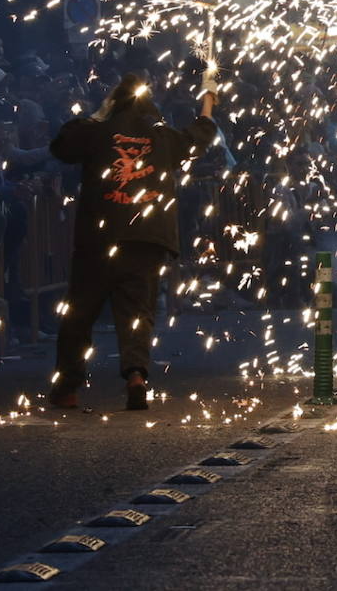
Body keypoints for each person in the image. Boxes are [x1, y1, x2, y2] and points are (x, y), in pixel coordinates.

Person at [47, 71, 217, 411]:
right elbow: (197, 138)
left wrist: (97, 115)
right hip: (145, 238)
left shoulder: (97, 131)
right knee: (137, 312)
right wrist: (209, 103)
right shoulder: (162, 135)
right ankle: (137, 375)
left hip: (101, 237)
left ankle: (67, 386)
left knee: (79, 314)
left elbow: (61, 145)